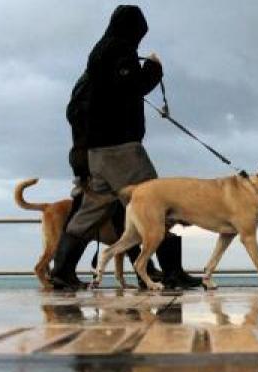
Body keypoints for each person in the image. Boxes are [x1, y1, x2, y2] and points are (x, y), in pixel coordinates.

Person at [49, 5, 202, 290]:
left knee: (91, 210)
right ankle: (172, 272)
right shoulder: (120, 51)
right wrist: (154, 68)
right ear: (134, 30)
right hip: (121, 149)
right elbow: (132, 87)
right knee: (159, 199)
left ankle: (62, 271)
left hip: (96, 152)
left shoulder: (96, 55)